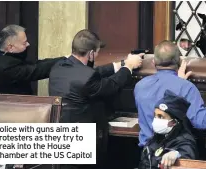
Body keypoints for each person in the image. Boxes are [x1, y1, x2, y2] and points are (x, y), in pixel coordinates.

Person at [48, 29, 143, 169]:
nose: (98, 55)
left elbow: (90, 73)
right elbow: (111, 85)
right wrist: (129, 67)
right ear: (91, 53)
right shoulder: (87, 77)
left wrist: (119, 64)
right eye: (97, 52)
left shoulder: (58, 67)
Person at [134, 40, 206, 148]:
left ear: (153, 62)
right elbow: (201, 122)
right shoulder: (186, 88)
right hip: (173, 154)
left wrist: (179, 82)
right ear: (180, 61)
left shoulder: (140, 86)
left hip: (146, 155)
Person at [0, 24, 65, 94]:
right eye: (24, 43)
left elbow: (32, 64)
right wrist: (66, 60)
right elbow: (36, 70)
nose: (28, 44)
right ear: (10, 47)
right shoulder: (7, 68)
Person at [139, 90, 197, 169]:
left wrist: (177, 154)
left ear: (174, 122)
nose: (156, 120)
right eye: (155, 116)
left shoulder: (185, 141)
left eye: (161, 117)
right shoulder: (155, 138)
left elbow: (186, 152)